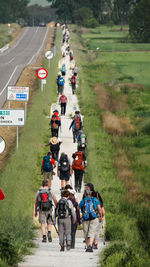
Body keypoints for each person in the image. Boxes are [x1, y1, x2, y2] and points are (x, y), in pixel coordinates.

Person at [85, 183, 105, 249]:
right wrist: (101, 215)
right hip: (97, 214)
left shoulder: (85, 194)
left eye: (86, 187)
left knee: (89, 230)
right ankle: (95, 243)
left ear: (90, 187)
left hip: (88, 215)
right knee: (96, 230)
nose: (85, 188)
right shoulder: (97, 194)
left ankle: (89, 244)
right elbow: (101, 204)